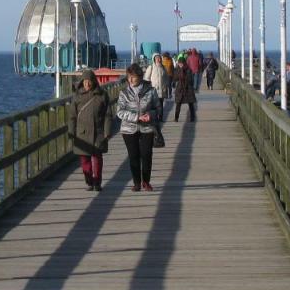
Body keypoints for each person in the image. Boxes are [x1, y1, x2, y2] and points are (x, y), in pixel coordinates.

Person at [116, 63, 162, 192]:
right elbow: (120, 111)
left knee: (146, 154)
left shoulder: (151, 91)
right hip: (128, 129)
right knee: (133, 156)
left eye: (133, 77)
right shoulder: (124, 93)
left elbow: (158, 108)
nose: (130, 80)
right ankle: (136, 182)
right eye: (128, 77)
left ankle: (146, 181)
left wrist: (150, 115)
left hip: (147, 127)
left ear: (140, 77)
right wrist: (136, 117)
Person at [68, 69, 110, 192]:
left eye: (89, 81)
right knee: (85, 160)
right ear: (82, 82)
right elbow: (72, 116)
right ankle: (89, 181)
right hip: (82, 133)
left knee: (97, 158)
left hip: (98, 132)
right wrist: (71, 132)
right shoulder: (77, 96)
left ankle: (97, 182)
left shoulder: (102, 95)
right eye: (85, 81)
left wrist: (107, 131)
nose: (87, 84)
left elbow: (108, 114)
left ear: (94, 81)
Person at [173, 57, 197, 121]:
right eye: (179, 63)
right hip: (180, 89)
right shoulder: (177, 69)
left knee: (191, 104)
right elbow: (175, 78)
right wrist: (180, 71)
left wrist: (184, 73)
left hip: (188, 89)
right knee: (178, 104)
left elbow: (190, 80)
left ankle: (192, 118)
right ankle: (176, 118)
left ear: (184, 63)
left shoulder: (188, 70)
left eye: (181, 63)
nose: (180, 64)